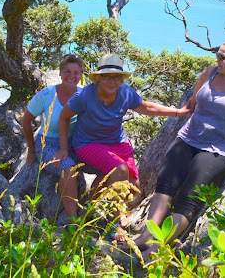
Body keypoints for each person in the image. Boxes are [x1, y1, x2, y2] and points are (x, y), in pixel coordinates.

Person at [131, 35, 225, 259]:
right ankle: (145, 237)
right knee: (165, 185)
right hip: (188, 139)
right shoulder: (208, 74)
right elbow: (193, 102)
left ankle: (157, 247)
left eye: (222, 57)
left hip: (220, 150)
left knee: (189, 198)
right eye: (217, 55)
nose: (217, 59)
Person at [56, 54, 188, 218]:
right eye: (107, 77)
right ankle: (114, 221)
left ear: (121, 79)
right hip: (88, 143)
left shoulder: (125, 93)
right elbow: (64, 117)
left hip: (117, 142)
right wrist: (63, 149)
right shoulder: (85, 96)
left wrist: (177, 112)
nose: (112, 81)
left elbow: (146, 107)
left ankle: (89, 206)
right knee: (120, 170)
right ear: (99, 78)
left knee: (133, 187)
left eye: (116, 77)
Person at [22, 53, 84, 218]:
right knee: (68, 168)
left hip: (75, 144)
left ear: (81, 75)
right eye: (67, 71)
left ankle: (93, 211)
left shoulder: (84, 95)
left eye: (76, 72)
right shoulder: (46, 95)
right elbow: (26, 120)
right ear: (60, 73)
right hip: (48, 144)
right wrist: (31, 150)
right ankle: (73, 221)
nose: (71, 76)